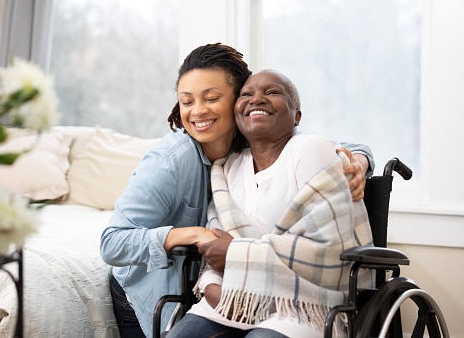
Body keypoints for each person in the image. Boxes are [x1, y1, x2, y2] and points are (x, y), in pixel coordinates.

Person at [100, 44, 373, 338]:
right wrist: (194, 234)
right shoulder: (172, 160)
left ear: (235, 101)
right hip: (157, 287)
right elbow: (112, 242)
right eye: (187, 101)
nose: (198, 111)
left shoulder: (254, 141)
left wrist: (358, 159)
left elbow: (324, 144)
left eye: (212, 98)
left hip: (260, 289)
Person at [166, 70, 374, 338]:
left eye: (272, 93)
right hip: (236, 297)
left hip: (303, 306)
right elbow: (213, 247)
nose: (257, 100)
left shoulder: (310, 150)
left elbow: (328, 249)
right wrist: (212, 288)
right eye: (246, 94)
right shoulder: (227, 168)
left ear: (297, 115)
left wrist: (236, 253)